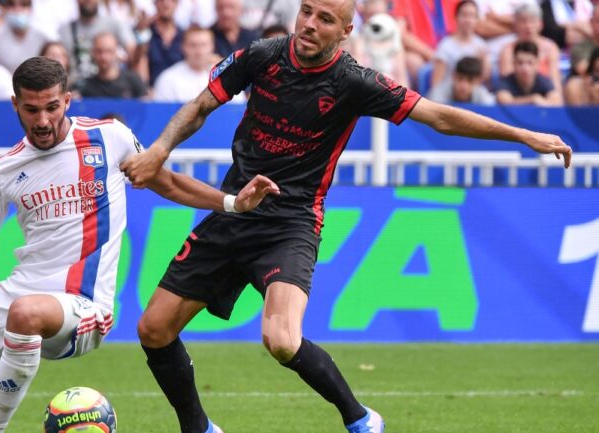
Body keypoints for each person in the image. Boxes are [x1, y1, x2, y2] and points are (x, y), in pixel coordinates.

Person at [119, 0, 573, 432]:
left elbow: (438, 116)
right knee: (153, 329)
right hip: (235, 209)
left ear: (345, 31)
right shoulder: (261, 56)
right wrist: (159, 149)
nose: (310, 24)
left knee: (281, 340)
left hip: (291, 223)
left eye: (325, 19)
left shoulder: (355, 81)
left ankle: (359, 418)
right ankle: (198, 427)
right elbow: (200, 105)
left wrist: (523, 135)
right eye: (306, 12)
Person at [0, 56, 279, 433]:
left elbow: (165, 182)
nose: (43, 120)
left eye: (52, 107)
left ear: (67, 100)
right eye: (31, 109)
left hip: (83, 303)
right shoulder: (3, 169)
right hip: (22, 291)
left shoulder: (110, 137)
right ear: (15, 105)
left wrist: (231, 203)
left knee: (24, 314)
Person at [152, 25, 245, 103]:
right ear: (183, 47)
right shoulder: (168, 79)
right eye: (193, 45)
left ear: (212, 46)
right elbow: (162, 115)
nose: (199, 51)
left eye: (203, 45)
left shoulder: (227, 76)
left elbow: (237, 110)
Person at [75, 31, 148, 99]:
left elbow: (145, 105)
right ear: (93, 53)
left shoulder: (133, 80)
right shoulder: (86, 86)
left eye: (109, 51)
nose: (103, 57)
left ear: (116, 52)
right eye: (99, 51)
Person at [0, 0, 49, 73]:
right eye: (11, 4)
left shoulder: (44, 34)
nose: (17, 9)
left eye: (24, 4)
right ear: (4, 9)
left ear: (32, 9)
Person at [496, 40, 562, 106]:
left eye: (530, 63)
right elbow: (503, 101)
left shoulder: (544, 81)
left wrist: (542, 102)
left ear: (537, 64)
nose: (525, 68)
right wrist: (532, 100)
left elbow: (556, 102)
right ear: (514, 63)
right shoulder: (506, 81)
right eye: (520, 63)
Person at [428, 56, 495, 105]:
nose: (463, 85)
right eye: (460, 78)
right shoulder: (438, 93)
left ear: (478, 81)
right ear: (453, 76)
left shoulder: (482, 95)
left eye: (470, 81)